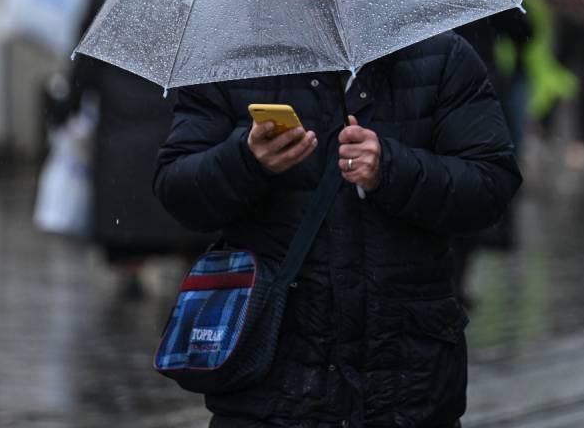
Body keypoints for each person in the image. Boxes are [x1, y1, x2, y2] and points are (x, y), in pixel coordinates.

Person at [153, 31, 522, 427]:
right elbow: (178, 191)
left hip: (405, 381)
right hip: (273, 383)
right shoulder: (231, 59)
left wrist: (391, 170)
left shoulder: (442, 56)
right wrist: (245, 159)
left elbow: (490, 186)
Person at [65, 0, 210, 297]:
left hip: (121, 116)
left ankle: (130, 264)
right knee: (170, 192)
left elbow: (85, 57)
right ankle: (182, 259)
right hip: (166, 112)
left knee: (125, 195)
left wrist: (75, 100)